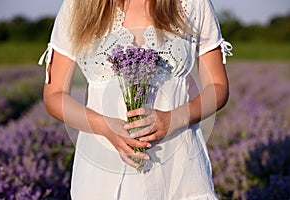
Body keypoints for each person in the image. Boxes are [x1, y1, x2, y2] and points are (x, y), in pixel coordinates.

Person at [39, 0, 232, 199]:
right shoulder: (78, 5)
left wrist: (172, 119)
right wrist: (104, 126)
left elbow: (217, 87)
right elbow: (55, 95)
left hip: (178, 168)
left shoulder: (193, 4)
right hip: (102, 169)